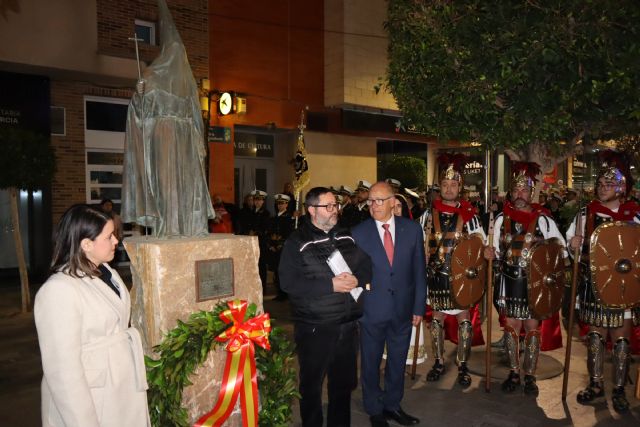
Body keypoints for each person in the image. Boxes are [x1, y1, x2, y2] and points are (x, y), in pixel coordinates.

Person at [34, 204, 150, 427]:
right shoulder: (59, 290)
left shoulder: (107, 271)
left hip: (118, 389)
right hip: (93, 399)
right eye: (109, 236)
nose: (116, 241)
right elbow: (63, 372)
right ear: (86, 244)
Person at [279, 187, 372, 427]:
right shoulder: (297, 242)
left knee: (342, 386)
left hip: (347, 325)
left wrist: (358, 280)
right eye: (328, 206)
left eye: (336, 206)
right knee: (311, 385)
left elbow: (365, 264)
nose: (334, 211)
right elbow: (288, 283)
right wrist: (330, 285)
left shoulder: (345, 235)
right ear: (311, 210)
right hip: (315, 327)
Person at [484, 161, 567, 396]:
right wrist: (489, 252)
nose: (520, 194)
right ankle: (513, 371)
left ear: (532, 193)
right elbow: (494, 249)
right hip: (509, 281)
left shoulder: (544, 220)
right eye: (516, 189)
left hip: (533, 285)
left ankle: (529, 374)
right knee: (511, 328)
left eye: (525, 190)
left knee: (531, 328)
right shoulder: (501, 219)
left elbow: (558, 249)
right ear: (511, 193)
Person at [566, 150, 640, 413]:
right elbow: (572, 250)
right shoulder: (585, 215)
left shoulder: (635, 215)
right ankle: (596, 384)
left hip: (624, 288)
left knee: (621, 342)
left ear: (621, 187)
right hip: (594, 286)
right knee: (596, 339)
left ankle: (619, 389)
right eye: (600, 184)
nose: (602, 188)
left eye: (609, 184)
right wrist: (573, 244)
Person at [352, 181, 426, 427]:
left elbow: (419, 271)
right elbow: (353, 276)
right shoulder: (358, 233)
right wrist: (359, 307)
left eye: (379, 200)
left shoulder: (412, 230)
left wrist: (418, 308)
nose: (373, 205)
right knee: (371, 363)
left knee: (397, 360)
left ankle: (393, 405)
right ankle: (374, 408)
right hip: (372, 311)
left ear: (394, 202)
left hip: (403, 310)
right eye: (370, 201)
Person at [419, 154, 486, 388]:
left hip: (460, 278)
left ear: (460, 188)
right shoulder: (428, 214)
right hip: (436, 276)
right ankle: (438, 362)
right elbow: (418, 243)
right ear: (440, 187)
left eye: (453, 184)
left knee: (464, 321)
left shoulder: (470, 215)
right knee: (436, 321)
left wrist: (484, 251)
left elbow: (480, 243)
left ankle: (463, 365)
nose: (449, 189)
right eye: (445, 185)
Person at [267, 193, 294, 301]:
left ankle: (284, 293)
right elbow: (270, 233)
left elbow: (289, 234)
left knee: (283, 271)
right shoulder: (274, 217)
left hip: (283, 248)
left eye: (282, 203)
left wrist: (280, 244)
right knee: (276, 271)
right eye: (278, 203)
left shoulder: (289, 218)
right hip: (274, 248)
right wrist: (271, 245)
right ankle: (279, 292)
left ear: (287, 204)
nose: (280, 205)